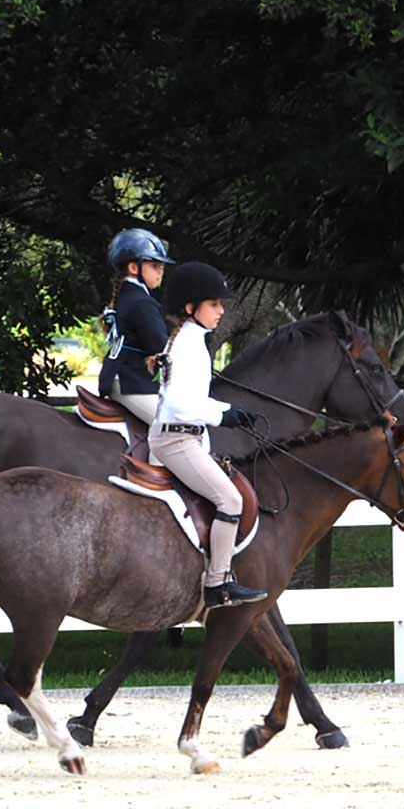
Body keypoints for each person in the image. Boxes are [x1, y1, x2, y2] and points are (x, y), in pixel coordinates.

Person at [148, 261, 266, 609]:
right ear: (191, 308)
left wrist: (229, 411)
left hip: (184, 435)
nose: (221, 311)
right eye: (214, 304)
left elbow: (190, 400)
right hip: (177, 439)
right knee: (231, 501)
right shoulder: (189, 346)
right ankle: (218, 584)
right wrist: (224, 415)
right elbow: (184, 407)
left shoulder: (189, 341)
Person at [98, 228, 174, 424]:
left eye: (161, 267)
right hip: (130, 381)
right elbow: (160, 347)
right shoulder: (141, 303)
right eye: (155, 265)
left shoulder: (128, 296)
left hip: (123, 377)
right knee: (174, 427)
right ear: (134, 267)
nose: (161, 272)